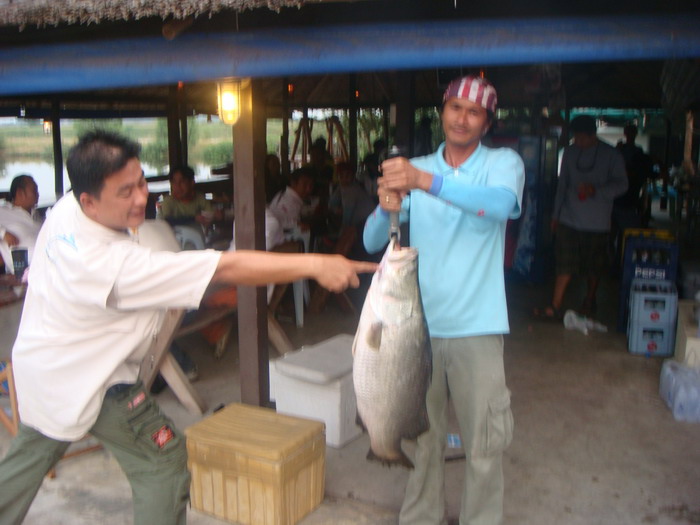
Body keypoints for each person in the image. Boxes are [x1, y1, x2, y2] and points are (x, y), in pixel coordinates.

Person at [0, 130, 375, 525]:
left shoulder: (64, 210)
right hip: (94, 381)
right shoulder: (112, 266)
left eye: (141, 182)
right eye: (125, 192)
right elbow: (228, 267)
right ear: (89, 201)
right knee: (163, 460)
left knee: (31, 450)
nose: (142, 197)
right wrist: (317, 264)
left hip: (39, 368)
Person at [363, 75, 524, 525]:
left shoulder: (502, 163)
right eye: (455, 107)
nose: (462, 118)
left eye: (474, 112)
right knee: (424, 441)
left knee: (485, 444)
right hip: (418, 332)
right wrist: (385, 204)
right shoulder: (414, 169)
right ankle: (419, 518)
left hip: (478, 329)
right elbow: (372, 237)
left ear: (487, 122)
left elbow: (497, 206)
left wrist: (422, 181)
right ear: (442, 111)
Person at [535, 115, 628, 319]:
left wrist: (596, 190)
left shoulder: (611, 155)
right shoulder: (569, 152)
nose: (577, 141)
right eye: (575, 137)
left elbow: (622, 185)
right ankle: (555, 305)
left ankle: (590, 298)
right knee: (564, 262)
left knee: (593, 265)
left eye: (581, 138)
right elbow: (562, 186)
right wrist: (555, 215)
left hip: (598, 223)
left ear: (592, 135)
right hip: (568, 219)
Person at [0, 174, 41, 274]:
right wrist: (3, 233)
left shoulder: (36, 215)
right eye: (34, 190)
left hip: (47, 267)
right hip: (24, 274)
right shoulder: (3, 211)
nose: (38, 194)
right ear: (20, 193)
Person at [268, 167, 316, 232]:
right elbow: (275, 221)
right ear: (293, 183)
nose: (308, 189)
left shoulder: (285, 194)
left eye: (311, 185)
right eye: (305, 185)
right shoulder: (288, 201)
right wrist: (297, 224)